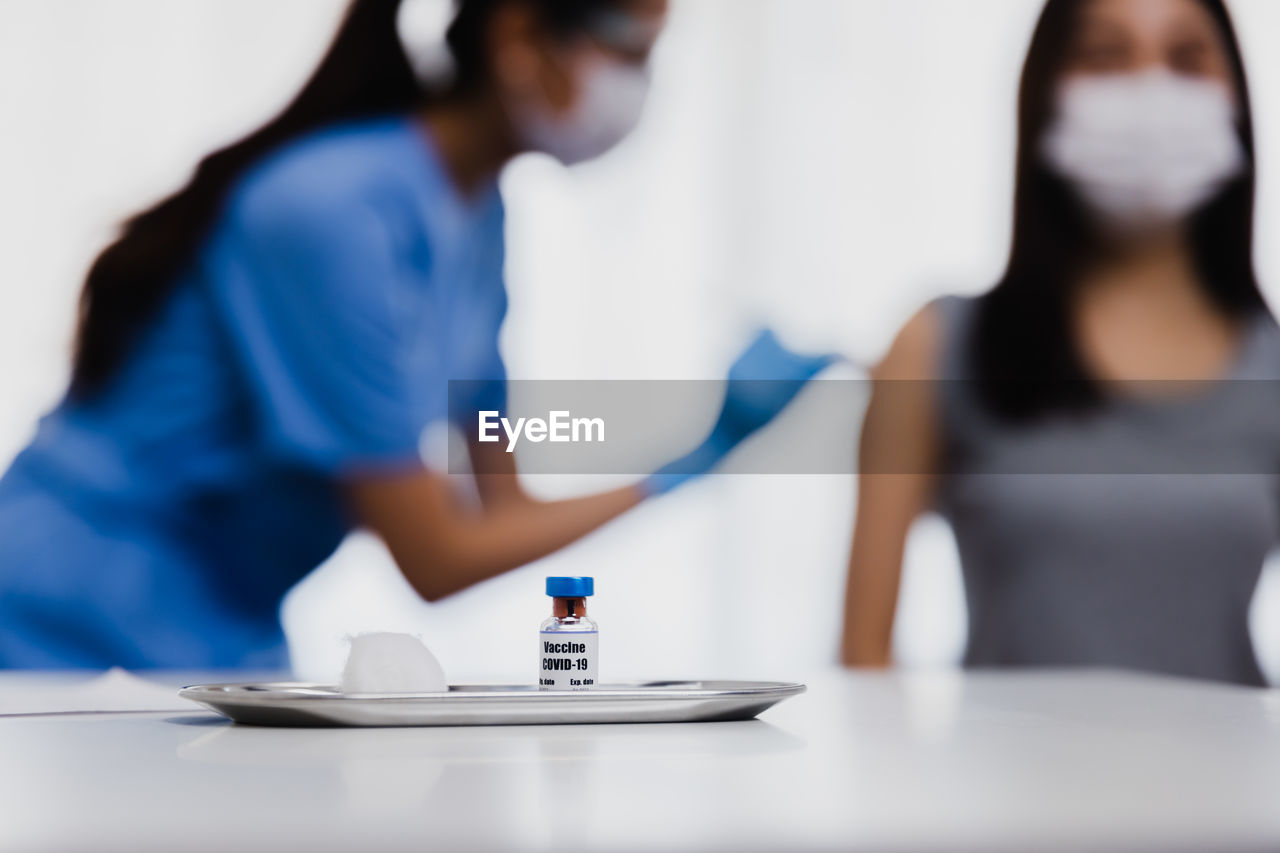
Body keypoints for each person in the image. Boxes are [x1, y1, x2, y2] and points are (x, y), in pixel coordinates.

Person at [0, 0, 830, 668]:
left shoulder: (481, 219)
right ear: (516, 33)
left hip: (217, 629)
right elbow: (436, 557)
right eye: (627, 52)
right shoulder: (331, 213)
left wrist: (693, 449)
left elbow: (501, 504)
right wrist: (688, 460)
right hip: (63, 617)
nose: (636, 89)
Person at [842, 0, 1280, 685]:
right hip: (1008, 790)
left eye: (1187, 58)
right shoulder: (935, 347)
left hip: (1243, 790)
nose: (1149, 90)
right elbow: (863, 660)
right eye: (1106, 56)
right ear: (1045, 91)